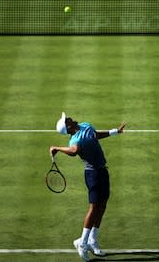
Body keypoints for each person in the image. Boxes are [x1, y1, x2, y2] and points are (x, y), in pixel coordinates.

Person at [49, 112, 126, 262]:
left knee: (103, 205)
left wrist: (114, 131)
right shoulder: (75, 140)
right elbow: (74, 151)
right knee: (94, 207)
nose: (69, 118)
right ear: (68, 127)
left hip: (103, 170)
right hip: (93, 174)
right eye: (67, 120)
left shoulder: (85, 125)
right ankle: (82, 243)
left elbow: (95, 135)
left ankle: (92, 239)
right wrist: (57, 148)